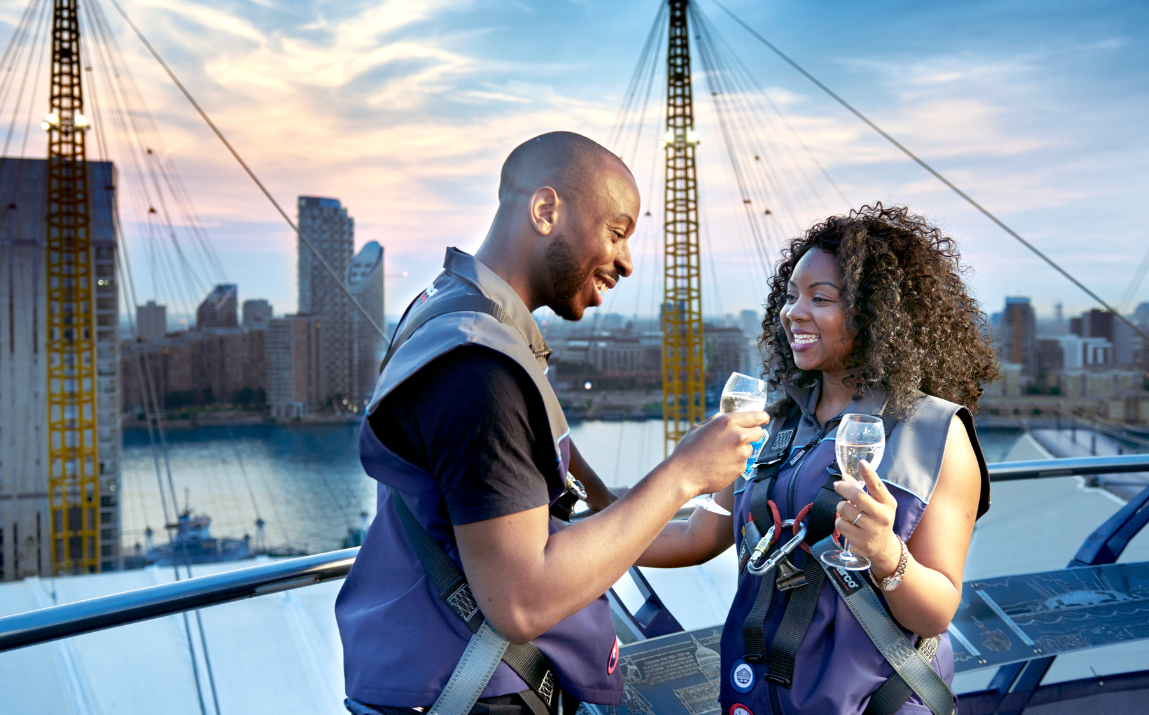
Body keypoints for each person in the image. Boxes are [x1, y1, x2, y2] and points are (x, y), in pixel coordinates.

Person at [335, 131, 768, 715]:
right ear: (545, 211)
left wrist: (723, 495)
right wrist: (684, 474)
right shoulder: (479, 369)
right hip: (468, 696)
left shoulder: (447, 312)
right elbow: (521, 601)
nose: (627, 261)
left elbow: (600, 511)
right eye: (616, 232)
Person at [639, 204, 1001, 715]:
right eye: (790, 297)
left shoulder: (933, 431)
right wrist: (572, 534)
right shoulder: (774, 421)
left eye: (821, 299)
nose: (793, 313)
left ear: (877, 313)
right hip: (754, 698)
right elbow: (696, 537)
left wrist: (883, 552)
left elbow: (936, 611)